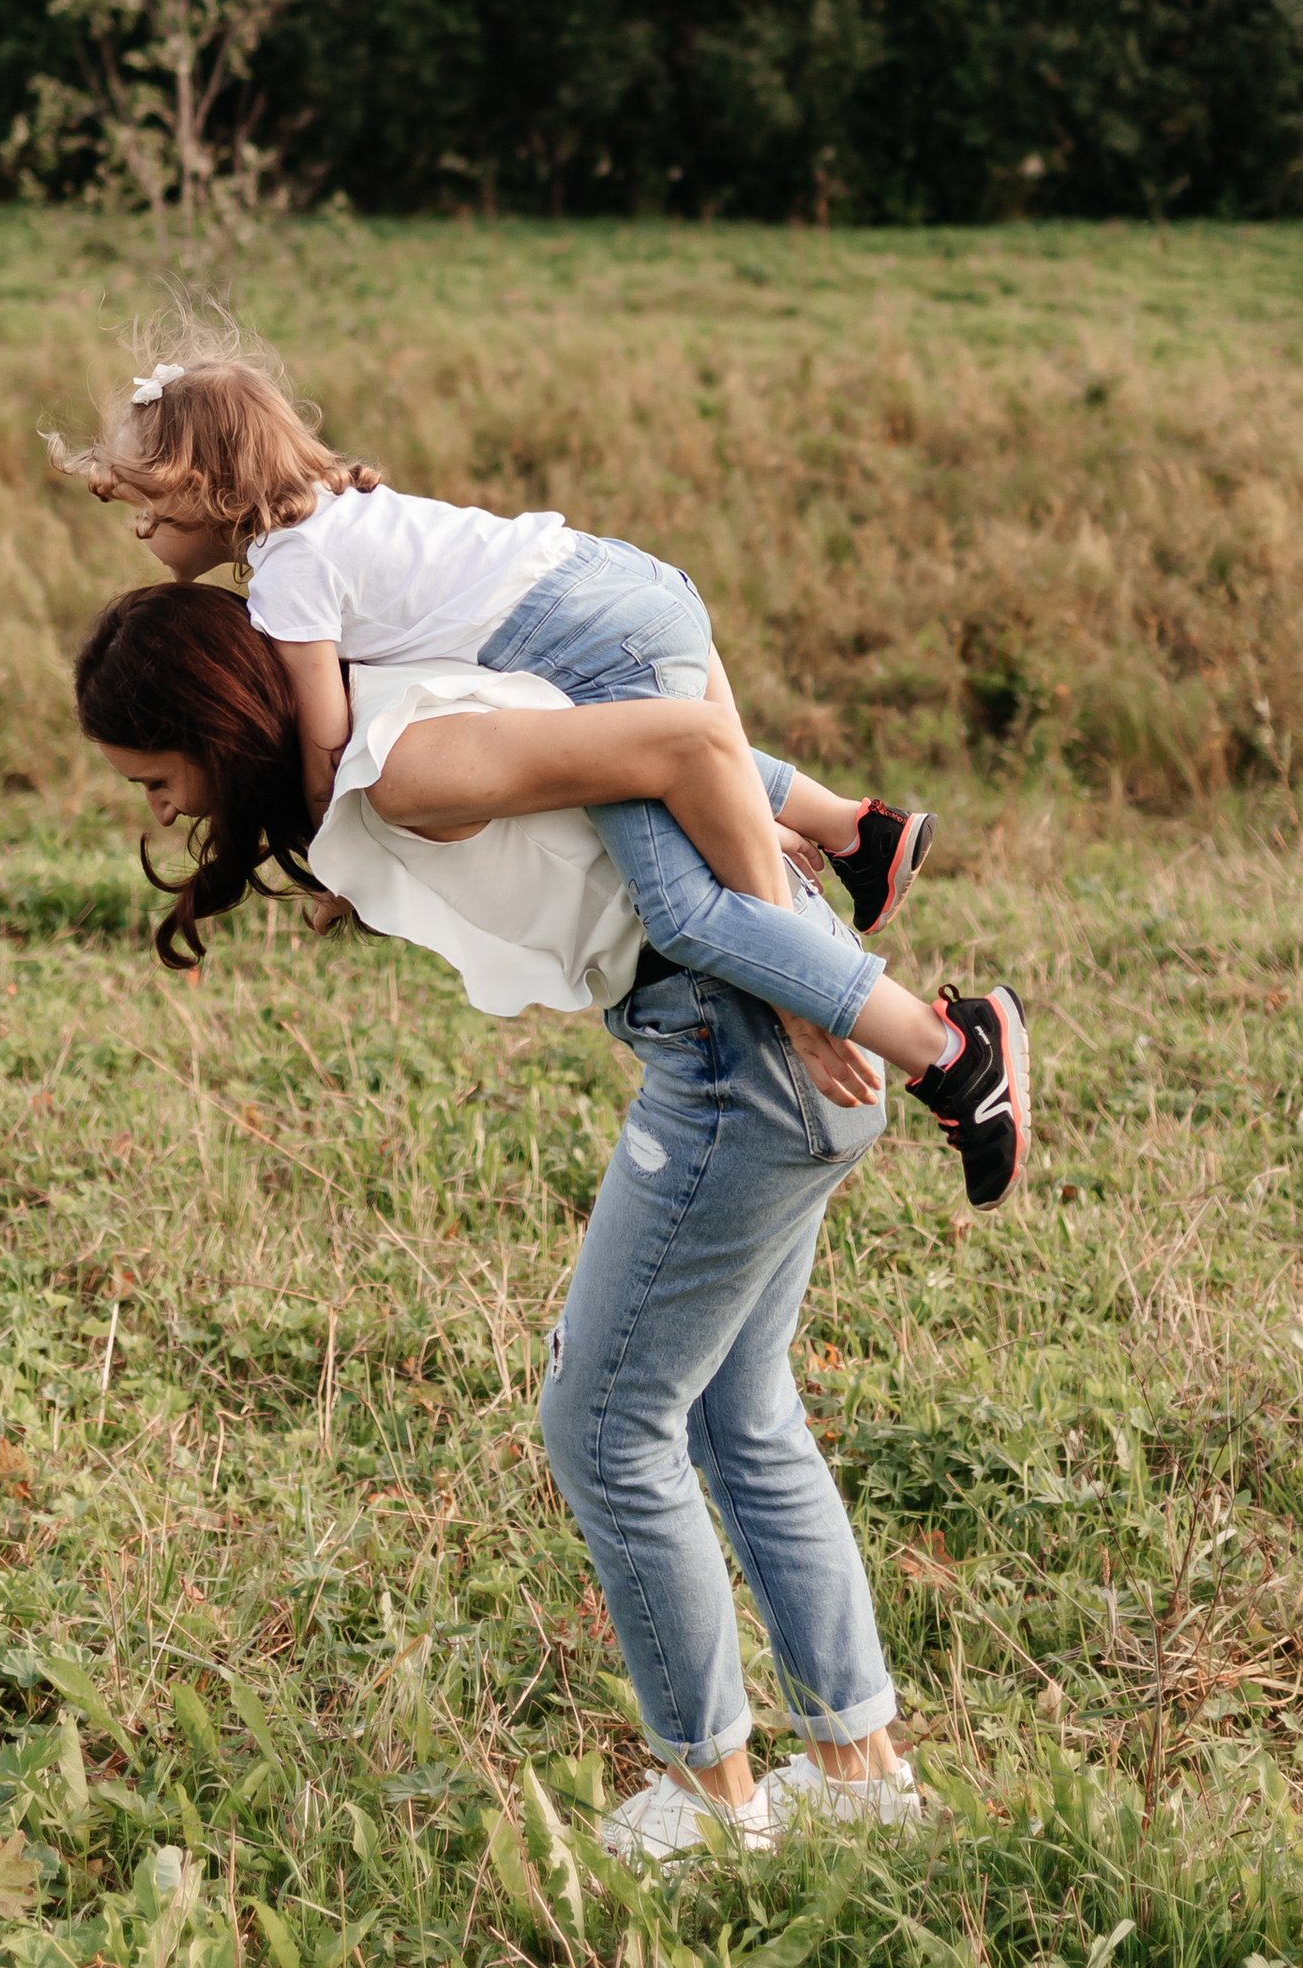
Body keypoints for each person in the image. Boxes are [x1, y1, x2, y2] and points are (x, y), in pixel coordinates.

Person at [71, 581, 1031, 1859]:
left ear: (218, 719)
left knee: (603, 1422)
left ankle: (708, 1800)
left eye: (155, 778)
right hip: (754, 1038)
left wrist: (814, 988)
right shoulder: (390, 735)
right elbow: (627, 760)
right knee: (736, 1409)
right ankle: (858, 1777)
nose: (164, 809)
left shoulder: (409, 759)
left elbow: (682, 741)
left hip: (738, 1050)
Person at [53, 330, 1027, 1204]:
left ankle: (947, 1048)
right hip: (619, 581)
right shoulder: (349, 524)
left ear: (206, 488)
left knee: (689, 906)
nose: (139, 528)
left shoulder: (293, 580)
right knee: (665, 769)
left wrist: (340, 840)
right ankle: (857, 831)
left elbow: (323, 744)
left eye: (145, 504)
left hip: (589, 644)